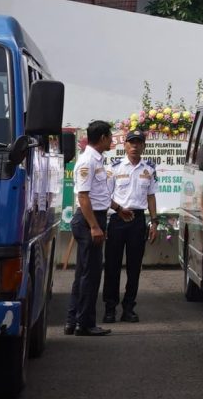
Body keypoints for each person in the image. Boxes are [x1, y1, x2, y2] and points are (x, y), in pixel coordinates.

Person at [66, 120, 116, 337]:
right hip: (89, 220)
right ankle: (85, 323)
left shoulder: (96, 159)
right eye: (110, 136)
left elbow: (98, 194)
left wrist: (119, 208)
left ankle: (73, 321)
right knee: (91, 274)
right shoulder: (88, 161)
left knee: (83, 274)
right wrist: (95, 227)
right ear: (103, 138)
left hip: (94, 217)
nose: (112, 140)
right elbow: (84, 197)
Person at [105, 130, 159, 324]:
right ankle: (110, 308)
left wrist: (154, 222)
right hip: (118, 219)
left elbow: (151, 196)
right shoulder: (115, 168)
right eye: (131, 142)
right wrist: (118, 210)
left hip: (137, 220)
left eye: (138, 142)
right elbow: (105, 196)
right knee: (112, 266)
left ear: (144, 146)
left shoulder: (149, 169)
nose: (135, 146)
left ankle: (129, 308)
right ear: (125, 146)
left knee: (134, 268)